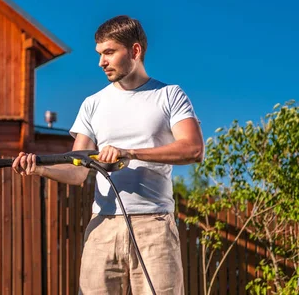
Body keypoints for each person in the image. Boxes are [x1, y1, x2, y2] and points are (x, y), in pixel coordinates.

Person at [12, 15, 204, 294]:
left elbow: (193, 149)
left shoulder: (169, 95)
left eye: (109, 52)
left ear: (135, 51)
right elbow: (78, 170)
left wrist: (130, 152)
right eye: (100, 54)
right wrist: (39, 168)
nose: (101, 62)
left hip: (154, 226)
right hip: (102, 227)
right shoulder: (92, 104)